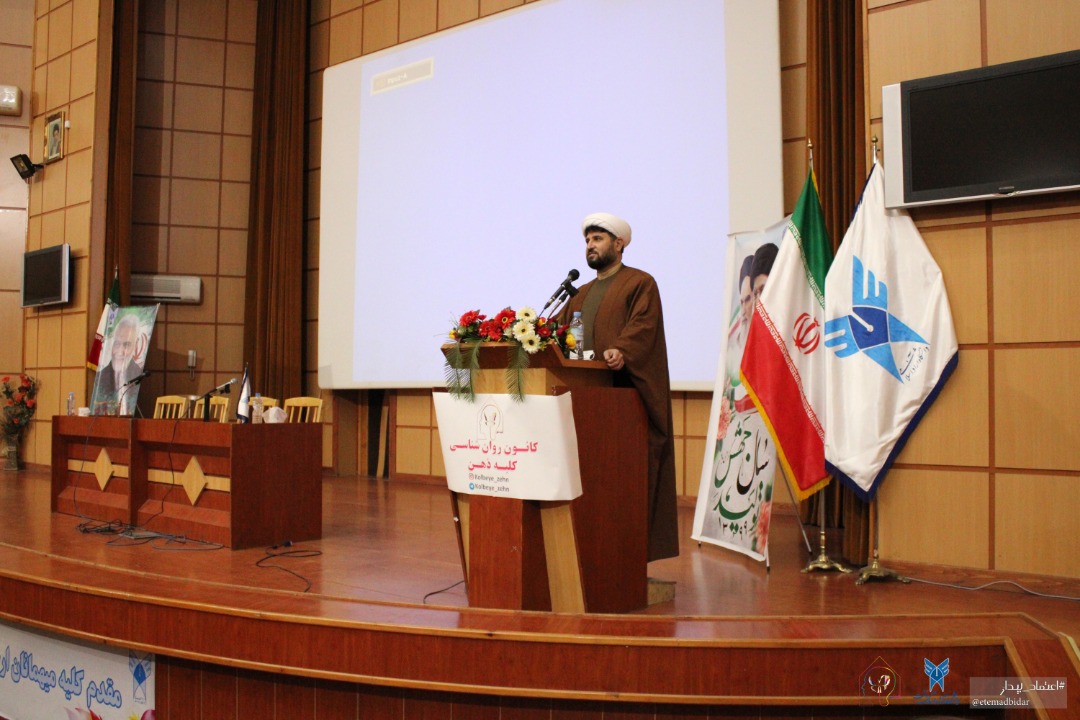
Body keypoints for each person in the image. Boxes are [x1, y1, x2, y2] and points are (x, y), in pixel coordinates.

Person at [560, 212, 679, 562]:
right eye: (587, 241)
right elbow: (564, 335)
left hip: (624, 402)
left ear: (619, 243)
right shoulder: (579, 294)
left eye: (597, 239)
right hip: (584, 400)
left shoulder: (640, 283)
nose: (590, 246)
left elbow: (643, 326)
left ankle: (624, 556)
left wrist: (621, 350)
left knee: (623, 481)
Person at [94, 313, 144, 415]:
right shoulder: (101, 377)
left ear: (136, 344)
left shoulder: (140, 377)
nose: (120, 352)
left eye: (126, 344)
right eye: (116, 344)